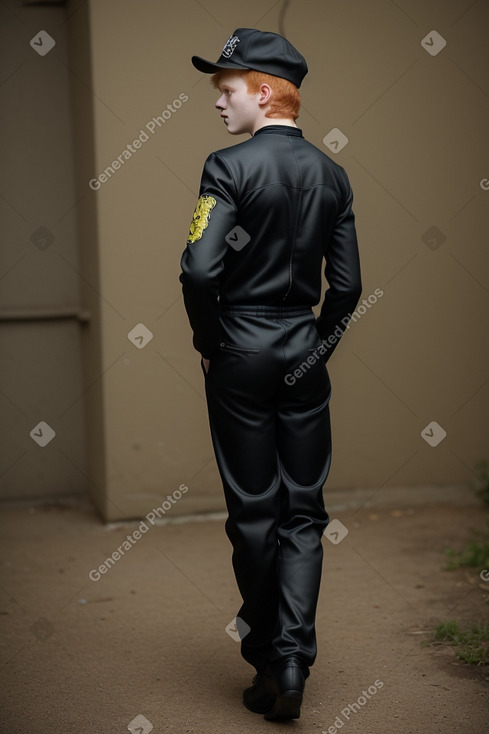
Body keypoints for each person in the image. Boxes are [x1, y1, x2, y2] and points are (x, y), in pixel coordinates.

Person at [180, 28, 362, 720]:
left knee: (255, 513)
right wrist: (316, 346)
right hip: (301, 346)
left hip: (239, 349)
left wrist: (210, 339)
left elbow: (199, 267)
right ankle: (292, 659)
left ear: (263, 91)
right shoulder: (332, 174)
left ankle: (266, 661)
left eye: (225, 90)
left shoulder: (225, 167)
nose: (218, 104)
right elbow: (344, 287)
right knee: (303, 514)